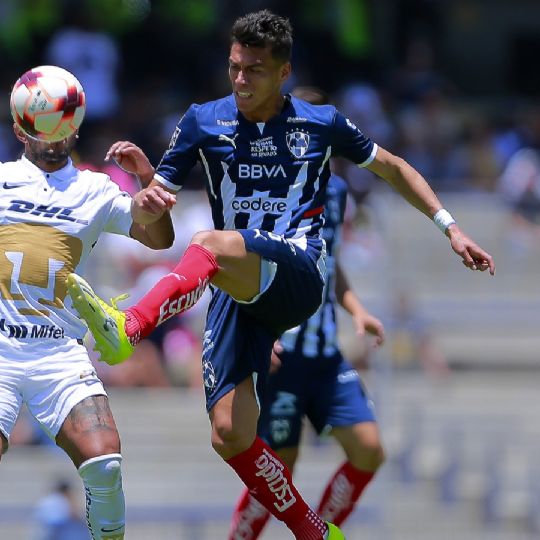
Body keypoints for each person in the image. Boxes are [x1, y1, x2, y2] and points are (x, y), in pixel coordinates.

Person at [67, 11, 494, 540]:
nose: (242, 80)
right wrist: (148, 182)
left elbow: (394, 167)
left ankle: (128, 325)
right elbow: (156, 221)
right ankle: (314, 530)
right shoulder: (203, 120)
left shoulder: (321, 123)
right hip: (235, 283)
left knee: (211, 244)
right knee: (230, 434)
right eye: (235, 67)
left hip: (297, 273)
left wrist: (450, 227)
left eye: (255, 70)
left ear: (284, 70)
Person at [0, 66, 176, 540]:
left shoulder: (95, 188)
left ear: (76, 125)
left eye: (64, 127)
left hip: (58, 353)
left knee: (105, 463)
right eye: (43, 128)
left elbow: (159, 239)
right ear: (20, 129)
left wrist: (146, 179)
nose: (54, 139)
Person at [228, 92, 386, 534]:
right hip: (281, 355)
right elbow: (239, 266)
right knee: (278, 468)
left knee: (369, 449)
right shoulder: (264, 186)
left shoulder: (336, 193)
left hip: (325, 353)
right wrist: (255, 332)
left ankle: (322, 531)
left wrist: (356, 308)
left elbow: (328, 263)